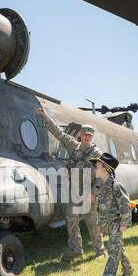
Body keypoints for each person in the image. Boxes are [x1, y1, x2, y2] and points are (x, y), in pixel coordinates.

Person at [36, 104, 106, 261]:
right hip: (73, 189)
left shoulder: (96, 154)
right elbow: (59, 134)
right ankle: (77, 251)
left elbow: (102, 175)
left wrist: (94, 192)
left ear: (92, 137)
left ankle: (100, 251)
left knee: (92, 222)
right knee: (71, 220)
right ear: (80, 134)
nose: (87, 137)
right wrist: (46, 117)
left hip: (88, 191)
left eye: (90, 135)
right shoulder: (73, 146)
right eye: (85, 134)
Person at [90, 153, 134, 276]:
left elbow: (125, 205)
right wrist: (101, 226)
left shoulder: (116, 185)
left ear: (106, 169)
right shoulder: (102, 187)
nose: (95, 169)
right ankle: (128, 270)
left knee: (113, 251)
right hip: (108, 225)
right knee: (118, 248)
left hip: (116, 223)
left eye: (97, 166)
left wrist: (124, 224)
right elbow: (101, 209)